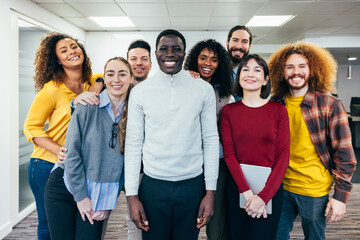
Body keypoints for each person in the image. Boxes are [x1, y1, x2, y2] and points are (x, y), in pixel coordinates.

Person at [125, 29, 219, 240]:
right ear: (155, 54)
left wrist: (210, 192)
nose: (170, 54)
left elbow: (211, 140)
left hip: (192, 186)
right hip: (152, 186)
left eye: (176, 49)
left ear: (185, 54)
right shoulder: (140, 92)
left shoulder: (203, 89)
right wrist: (131, 196)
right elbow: (133, 143)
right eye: (163, 49)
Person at [268, 42, 357, 240]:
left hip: (313, 189)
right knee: (274, 235)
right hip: (280, 187)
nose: (295, 72)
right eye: (289, 67)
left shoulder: (329, 104)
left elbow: (345, 155)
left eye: (302, 66)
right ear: (281, 71)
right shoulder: (276, 103)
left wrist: (340, 197)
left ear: (312, 69)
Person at [23, 32, 102, 240]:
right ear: (57, 60)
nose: (71, 52)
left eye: (74, 47)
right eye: (64, 51)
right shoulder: (51, 90)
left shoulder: (89, 82)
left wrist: (95, 89)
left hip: (73, 163)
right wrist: (60, 151)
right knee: (47, 224)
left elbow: (101, 77)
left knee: (68, 220)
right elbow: (31, 128)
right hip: (46, 163)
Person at [44, 57, 133, 240]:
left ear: (131, 78)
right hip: (65, 186)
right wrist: (81, 196)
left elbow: (128, 163)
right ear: (104, 79)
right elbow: (72, 154)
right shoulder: (87, 107)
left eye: (122, 74)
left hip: (98, 193)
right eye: (110, 74)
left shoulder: (136, 114)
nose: (116, 79)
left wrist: (107, 201)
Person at [221, 54, 290, 240]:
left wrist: (263, 197)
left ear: (265, 79)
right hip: (238, 188)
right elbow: (229, 153)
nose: (250, 74)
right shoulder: (228, 111)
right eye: (245, 69)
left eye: (257, 70)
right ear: (239, 76)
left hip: (270, 190)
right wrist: (247, 193)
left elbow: (283, 156)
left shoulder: (278, 111)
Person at [184, 39, 233, 240]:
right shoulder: (185, 84)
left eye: (214, 60)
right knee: (189, 217)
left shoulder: (224, 92)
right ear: (195, 60)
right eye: (203, 58)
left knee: (216, 220)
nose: (208, 63)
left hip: (217, 160)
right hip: (189, 161)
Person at [126, 39, 152, 240]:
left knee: (148, 220)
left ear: (151, 63)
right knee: (133, 219)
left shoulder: (156, 89)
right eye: (133, 59)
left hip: (148, 168)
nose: (139, 63)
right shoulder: (117, 87)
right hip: (123, 164)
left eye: (144, 59)